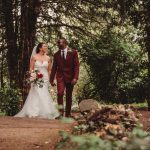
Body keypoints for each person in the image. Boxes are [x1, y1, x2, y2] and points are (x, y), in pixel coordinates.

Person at [14, 42, 59, 119]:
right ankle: (33, 111)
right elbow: (31, 68)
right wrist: (33, 76)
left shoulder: (48, 58)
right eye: (44, 46)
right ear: (40, 48)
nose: (46, 48)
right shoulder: (34, 57)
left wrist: (52, 79)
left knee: (44, 93)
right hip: (36, 77)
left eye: (46, 46)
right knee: (36, 93)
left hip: (45, 78)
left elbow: (49, 70)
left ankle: (46, 112)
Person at [50, 38, 79, 118]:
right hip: (60, 77)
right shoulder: (56, 55)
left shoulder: (73, 52)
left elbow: (77, 65)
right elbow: (54, 68)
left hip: (71, 77)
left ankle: (68, 114)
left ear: (65, 43)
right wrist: (51, 80)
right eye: (58, 43)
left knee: (69, 96)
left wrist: (75, 78)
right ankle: (60, 113)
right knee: (60, 93)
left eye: (60, 42)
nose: (58, 44)